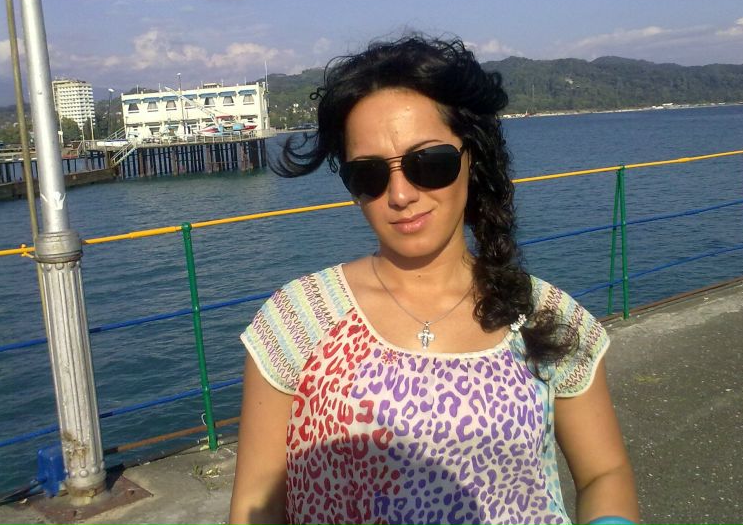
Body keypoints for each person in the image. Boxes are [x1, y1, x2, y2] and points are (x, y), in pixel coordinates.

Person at [229, 35, 639, 525]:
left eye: (429, 163)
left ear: (472, 157)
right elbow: (257, 504)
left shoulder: (543, 315)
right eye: (369, 174)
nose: (400, 194)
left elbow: (604, 473)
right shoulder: (299, 320)